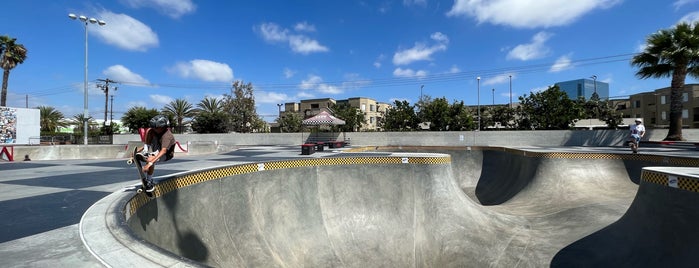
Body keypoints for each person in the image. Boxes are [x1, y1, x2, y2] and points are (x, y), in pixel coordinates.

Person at [138, 114, 176, 192]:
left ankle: (149, 181)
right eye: (154, 127)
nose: (154, 129)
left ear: (163, 127)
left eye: (156, 128)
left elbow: (163, 151)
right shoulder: (153, 131)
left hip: (166, 154)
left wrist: (150, 163)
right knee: (149, 131)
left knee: (150, 159)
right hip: (157, 149)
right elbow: (149, 140)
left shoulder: (167, 136)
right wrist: (141, 149)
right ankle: (145, 151)